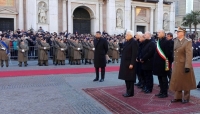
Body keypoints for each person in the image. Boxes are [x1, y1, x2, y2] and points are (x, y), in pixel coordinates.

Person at [169, 27, 196, 104]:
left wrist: (187, 66)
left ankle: (186, 97)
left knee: (186, 82)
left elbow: (189, 54)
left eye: (178, 32)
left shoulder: (187, 41)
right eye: (177, 32)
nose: (177, 33)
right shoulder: (176, 41)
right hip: (177, 64)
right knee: (177, 81)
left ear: (183, 33)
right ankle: (178, 97)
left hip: (184, 64)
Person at [153, 29, 173, 98]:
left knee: (164, 79)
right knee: (160, 78)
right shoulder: (159, 41)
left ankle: (165, 92)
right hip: (158, 63)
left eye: (159, 32)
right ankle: (161, 91)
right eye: (157, 32)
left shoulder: (167, 42)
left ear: (163, 33)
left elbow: (169, 54)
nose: (157, 34)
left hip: (164, 63)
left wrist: (168, 63)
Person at [118, 30, 139, 97]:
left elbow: (134, 54)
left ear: (130, 35)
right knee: (126, 78)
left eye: (127, 35)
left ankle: (130, 92)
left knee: (130, 78)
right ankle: (128, 91)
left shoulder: (134, 42)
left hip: (130, 63)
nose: (125, 36)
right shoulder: (126, 42)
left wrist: (132, 63)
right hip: (125, 63)